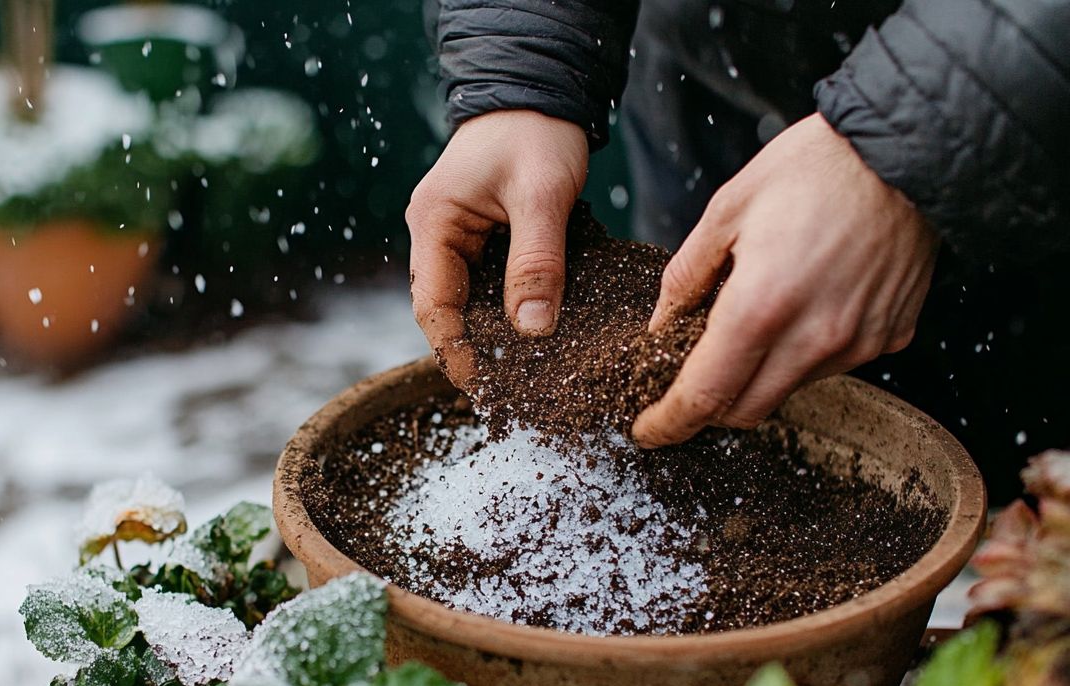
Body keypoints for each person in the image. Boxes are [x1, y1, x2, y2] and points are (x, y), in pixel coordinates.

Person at [407, 0, 1069, 495]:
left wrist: (919, 140)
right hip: (709, 86)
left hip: (1029, 138)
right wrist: (522, 61)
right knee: (698, 401)